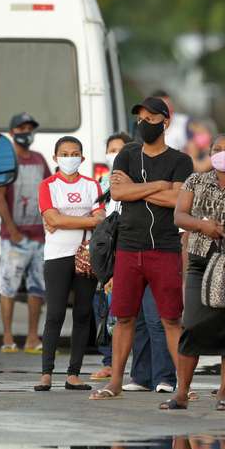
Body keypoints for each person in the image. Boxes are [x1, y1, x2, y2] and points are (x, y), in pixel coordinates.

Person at [89, 96, 193, 400]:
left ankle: (183, 388)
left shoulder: (180, 160)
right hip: (128, 248)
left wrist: (139, 190)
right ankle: (115, 382)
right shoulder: (127, 155)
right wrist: (161, 186)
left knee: (171, 319)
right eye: (140, 119)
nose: (143, 124)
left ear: (165, 122)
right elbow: (118, 192)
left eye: (150, 119)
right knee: (123, 317)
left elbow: (178, 200)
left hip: (164, 248)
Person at [163, 133, 225, 411]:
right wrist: (202, 226)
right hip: (200, 259)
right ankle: (182, 392)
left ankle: (223, 392)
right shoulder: (195, 180)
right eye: (218, 149)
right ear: (210, 154)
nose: (224, 154)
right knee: (193, 324)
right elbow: (179, 216)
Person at [34, 136, 104, 392]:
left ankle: (73, 374)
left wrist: (63, 220)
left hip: (85, 255)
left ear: (82, 158)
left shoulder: (92, 186)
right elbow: (51, 217)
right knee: (54, 313)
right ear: (55, 158)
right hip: (56, 255)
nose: (69, 157)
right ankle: (46, 373)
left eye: (74, 153)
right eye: (64, 154)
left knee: (83, 314)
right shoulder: (48, 185)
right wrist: (82, 219)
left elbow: (100, 219)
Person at [0, 112, 51, 354]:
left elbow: (49, 189)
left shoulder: (39, 159)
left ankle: (32, 338)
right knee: (8, 286)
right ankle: (7, 338)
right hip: (14, 238)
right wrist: (13, 230)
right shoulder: (6, 160)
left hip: (39, 237)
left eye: (29, 127)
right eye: (21, 128)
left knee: (37, 288)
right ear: (12, 133)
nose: (26, 132)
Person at [91, 132, 132, 382]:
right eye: (111, 149)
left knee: (123, 311)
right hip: (105, 251)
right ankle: (109, 362)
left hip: (124, 248)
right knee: (103, 309)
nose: (115, 154)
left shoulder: (134, 180)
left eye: (120, 149)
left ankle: (124, 363)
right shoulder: (101, 182)